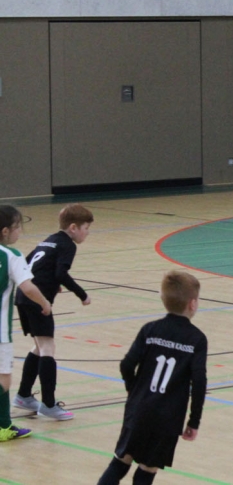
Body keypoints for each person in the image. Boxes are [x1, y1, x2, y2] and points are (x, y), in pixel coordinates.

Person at [96, 270, 208, 485]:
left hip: (139, 409)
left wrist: (133, 391)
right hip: (168, 418)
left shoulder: (150, 330)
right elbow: (199, 383)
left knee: (120, 462)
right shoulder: (197, 339)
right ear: (192, 304)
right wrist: (194, 421)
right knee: (147, 469)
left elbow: (126, 365)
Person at [13, 203, 94, 421]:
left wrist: (48, 281)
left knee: (39, 346)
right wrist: (82, 294)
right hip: (37, 300)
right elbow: (61, 273)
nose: (87, 233)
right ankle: (48, 404)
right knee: (48, 347)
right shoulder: (67, 245)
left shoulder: (49, 240)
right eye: (86, 228)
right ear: (74, 227)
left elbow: (28, 263)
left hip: (23, 296)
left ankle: (23, 395)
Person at [0, 205, 53, 442]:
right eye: (17, 227)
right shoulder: (11, 256)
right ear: (5, 231)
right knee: (3, 379)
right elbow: (28, 287)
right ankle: (3, 426)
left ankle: (4, 425)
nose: (20, 231)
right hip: (0, 332)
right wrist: (44, 303)